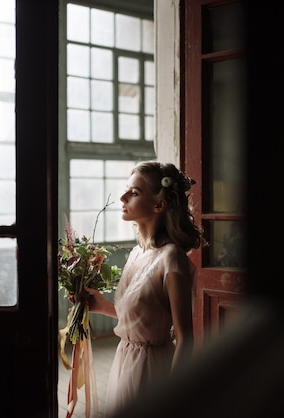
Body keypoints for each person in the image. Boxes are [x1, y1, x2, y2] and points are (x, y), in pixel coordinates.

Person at [77, 160, 205, 416]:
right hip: (125, 361)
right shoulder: (136, 253)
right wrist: (102, 306)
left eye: (134, 192)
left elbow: (185, 338)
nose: (122, 197)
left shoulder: (172, 259)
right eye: (126, 189)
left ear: (159, 204)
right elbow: (146, 317)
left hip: (152, 370)